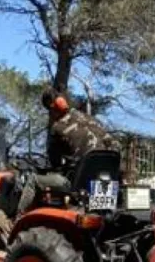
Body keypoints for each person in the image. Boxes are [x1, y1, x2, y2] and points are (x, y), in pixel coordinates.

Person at [11, 87, 118, 220]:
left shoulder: (57, 128)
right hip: (105, 179)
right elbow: (114, 145)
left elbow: (54, 161)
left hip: (79, 183)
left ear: (51, 108)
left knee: (33, 179)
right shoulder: (90, 118)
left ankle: (18, 219)